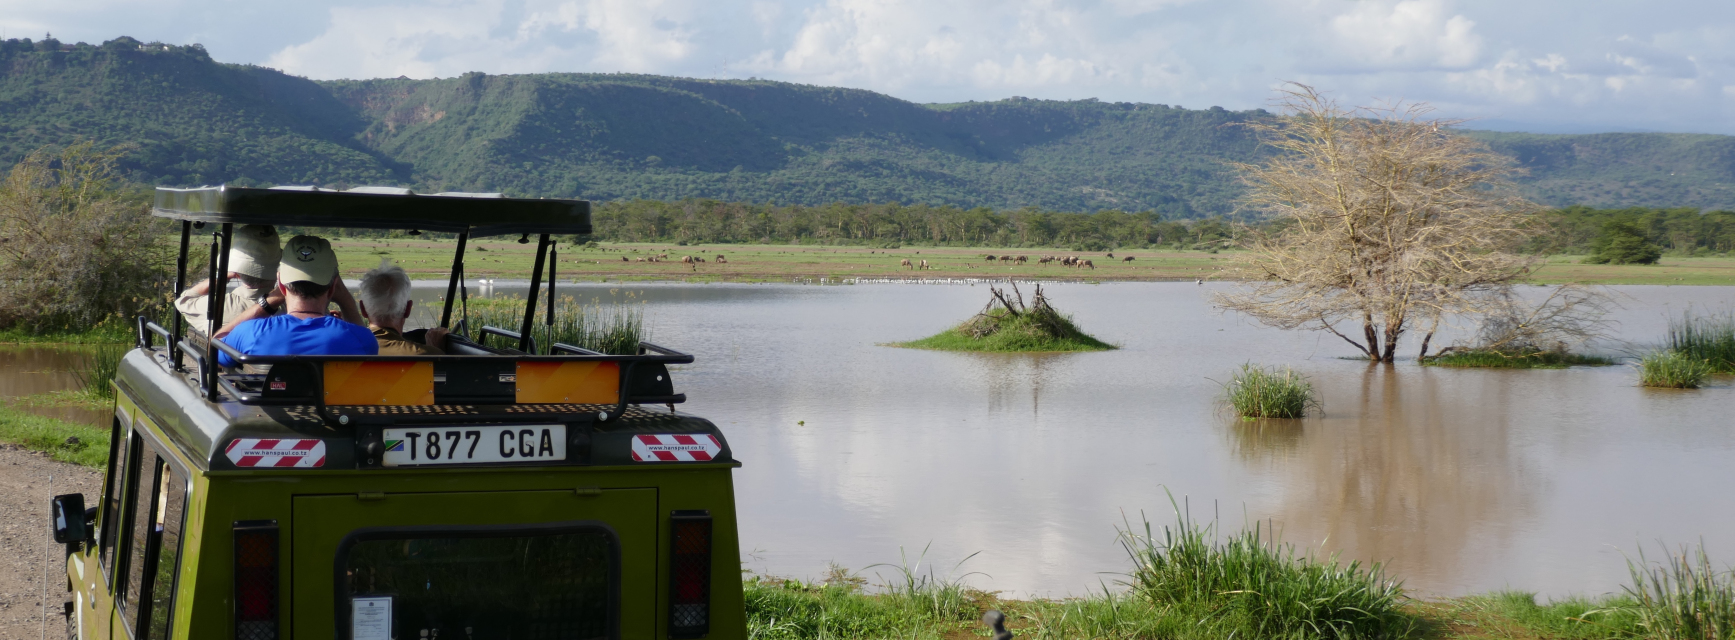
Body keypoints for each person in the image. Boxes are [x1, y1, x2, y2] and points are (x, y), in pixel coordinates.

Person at [214, 235, 376, 367]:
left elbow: (215, 346)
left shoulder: (253, 332)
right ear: (333, 288)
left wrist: (268, 301)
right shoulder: (361, 339)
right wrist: (346, 300)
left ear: (282, 286)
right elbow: (365, 348)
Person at [175, 224, 283, 333]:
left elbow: (183, 301)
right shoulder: (290, 308)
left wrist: (222, 277)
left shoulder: (220, 305)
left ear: (236, 273)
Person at [357, 260, 448, 355]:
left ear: (363, 309)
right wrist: (436, 350)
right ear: (408, 309)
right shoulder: (425, 355)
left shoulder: (345, 350)